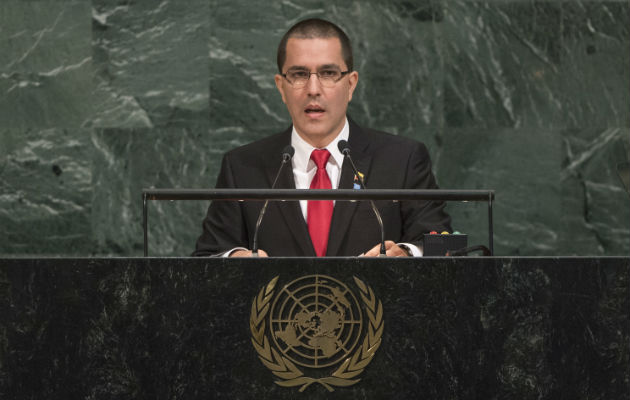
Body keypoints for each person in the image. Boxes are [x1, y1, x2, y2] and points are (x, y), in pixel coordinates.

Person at [193, 18, 451, 257]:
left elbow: (446, 244)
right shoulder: (242, 168)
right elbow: (206, 257)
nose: (313, 90)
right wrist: (232, 260)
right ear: (281, 87)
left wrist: (407, 254)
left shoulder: (402, 159)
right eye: (299, 75)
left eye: (328, 73)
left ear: (350, 84)